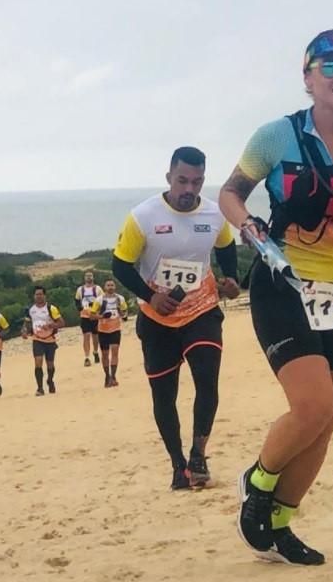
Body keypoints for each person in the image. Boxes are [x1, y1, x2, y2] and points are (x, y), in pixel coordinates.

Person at [219, 30, 333, 564]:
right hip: (285, 282)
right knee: (313, 405)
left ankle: (279, 524)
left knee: (329, 417)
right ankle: (258, 482)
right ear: (308, 77)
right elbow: (230, 193)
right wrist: (248, 225)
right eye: (331, 67)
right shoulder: (276, 136)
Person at [112, 146, 240, 490]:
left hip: (202, 310)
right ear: (169, 177)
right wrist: (150, 296)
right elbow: (120, 265)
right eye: (182, 180)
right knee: (163, 395)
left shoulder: (214, 214)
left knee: (207, 381)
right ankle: (177, 464)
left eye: (196, 182)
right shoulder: (143, 216)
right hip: (158, 318)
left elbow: (226, 248)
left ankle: (198, 456)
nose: (188, 189)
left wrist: (231, 279)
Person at [21, 286, 65, 395]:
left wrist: (50, 325)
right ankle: (40, 388)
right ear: (34, 296)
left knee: (50, 364)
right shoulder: (30, 310)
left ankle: (50, 380)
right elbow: (26, 324)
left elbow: (61, 323)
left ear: (44, 295)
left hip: (49, 340)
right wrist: (24, 331)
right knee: (38, 362)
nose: (39, 296)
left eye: (40, 294)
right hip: (37, 339)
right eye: (37, 294)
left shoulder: (51, 308)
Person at [90, 279, 128, 387]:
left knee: (115, 352)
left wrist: (121, 313)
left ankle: (113, 376)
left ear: (115, 286)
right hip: (103, 330)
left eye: (112, 285)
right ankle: (107, 376)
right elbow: (91, 316)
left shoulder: (120, 299)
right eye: (108, 285)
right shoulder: (99, 300)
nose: (110, 287)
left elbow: (125, 313)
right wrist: (102, 316)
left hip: (115, 329)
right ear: (104, 287)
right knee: (105, 354)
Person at [75, 272, 104, 366]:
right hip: (84, 316)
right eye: (87, 276)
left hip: (95, 316)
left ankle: (95, 352)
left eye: (90, 276)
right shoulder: (80, 289)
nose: (88, 277)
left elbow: (103, 300)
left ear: (93, 277)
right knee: (86, 336)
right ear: (84, 278)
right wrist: (80, 308)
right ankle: (87, 357)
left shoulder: (98, 289)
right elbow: (77, 301)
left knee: (95, 336)